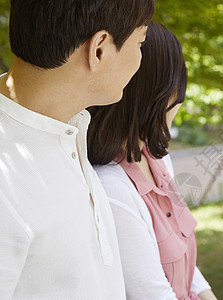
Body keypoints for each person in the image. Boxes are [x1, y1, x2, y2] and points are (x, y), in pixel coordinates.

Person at [0, 1, 154, 298]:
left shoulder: (68, 125)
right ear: (99, 49)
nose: (139, 59)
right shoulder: (8, 175)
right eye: (140, 43)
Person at [87, 21, 217, 300]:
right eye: (175, 86)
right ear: (152, 93)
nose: (179, 100)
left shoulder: (155, 157)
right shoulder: (114, 189)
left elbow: (184, 255)